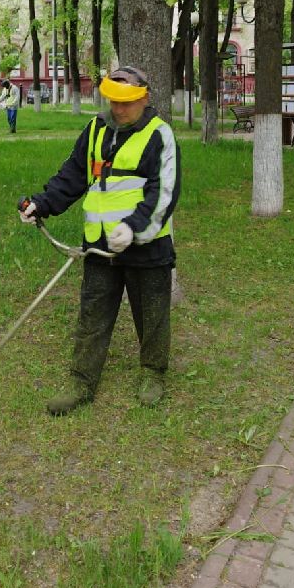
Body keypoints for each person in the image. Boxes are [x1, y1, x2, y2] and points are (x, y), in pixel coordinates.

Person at [19, 65, 180, 415]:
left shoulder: (159, 135)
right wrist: (41, 203)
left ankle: (153, 373)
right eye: (113, 102)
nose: (119, 109)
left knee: (151, 314)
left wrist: (135, 228)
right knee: (92, 314)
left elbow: (164, 193)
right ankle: (82, 380)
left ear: (144, 97)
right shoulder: (96, 129)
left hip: (147, 245)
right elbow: (72, 176)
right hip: (99, 244)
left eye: (127, 102)